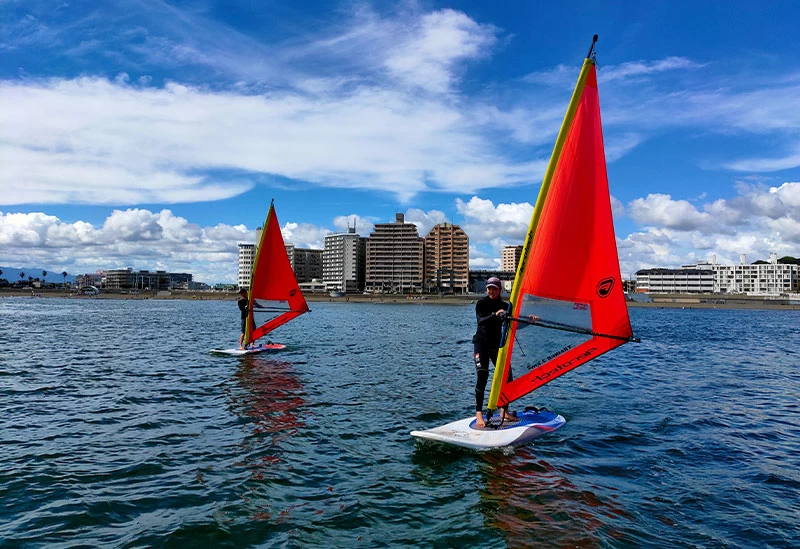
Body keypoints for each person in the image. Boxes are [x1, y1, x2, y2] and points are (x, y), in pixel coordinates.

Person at [472, 277, 516, 428]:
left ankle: (504, 411)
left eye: (494, 288)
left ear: (500, 290)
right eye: (489, 288)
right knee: (482, 376)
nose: (491, 291)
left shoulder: (505, 306)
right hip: (481, 344)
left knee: (507, 376)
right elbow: (480, 320)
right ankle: (479, 414)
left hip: (496, 345)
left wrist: (530, 320)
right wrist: (494, 315)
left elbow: (513, 323)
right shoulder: (481, 303)